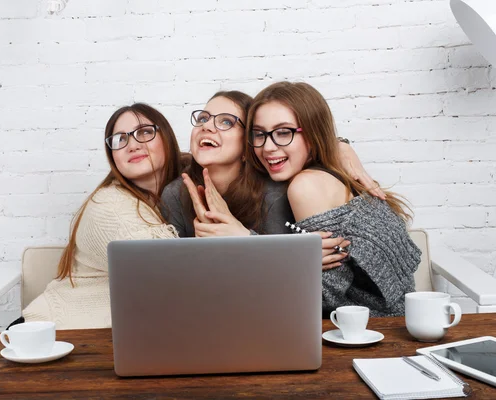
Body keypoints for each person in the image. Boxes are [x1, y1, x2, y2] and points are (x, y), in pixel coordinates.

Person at [246, 81, 421, 317]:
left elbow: (322, 297)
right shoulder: (336, 172)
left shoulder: (305, 186)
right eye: (259, 134)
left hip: (367, 332)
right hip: (392, 322)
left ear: (312, 133)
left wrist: (248, 242)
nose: (267, 147)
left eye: (283, 132)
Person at [161, 90, 380, 268]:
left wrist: (244, 241)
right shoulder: (175, 192)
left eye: (226, 122)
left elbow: (311, 272)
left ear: (248, 147)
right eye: (203, 118)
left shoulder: (276, 193)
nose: (207, 126)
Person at [21, 104, 182, 329]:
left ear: (167, 137)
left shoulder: (176, 193)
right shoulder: (110, 205)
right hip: (52, 334)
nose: (133, 145)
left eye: (145, 132)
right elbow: (175, 275)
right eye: (120, 139)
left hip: (113, 338)